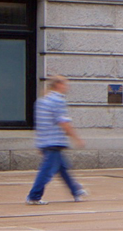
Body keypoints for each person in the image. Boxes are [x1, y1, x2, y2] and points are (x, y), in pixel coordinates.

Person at [26, 74, 87, 204]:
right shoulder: (58, 100)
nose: (67, 87)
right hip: (54, 141)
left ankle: (75, 190)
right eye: (65, 84)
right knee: (47, 171)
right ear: (58, 85)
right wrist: (77, 138)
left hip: (45, 141)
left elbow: (40, 124)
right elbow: (63, 122)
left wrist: (40, 142)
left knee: (63, 168)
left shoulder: (41, 101)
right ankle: (34, 196)